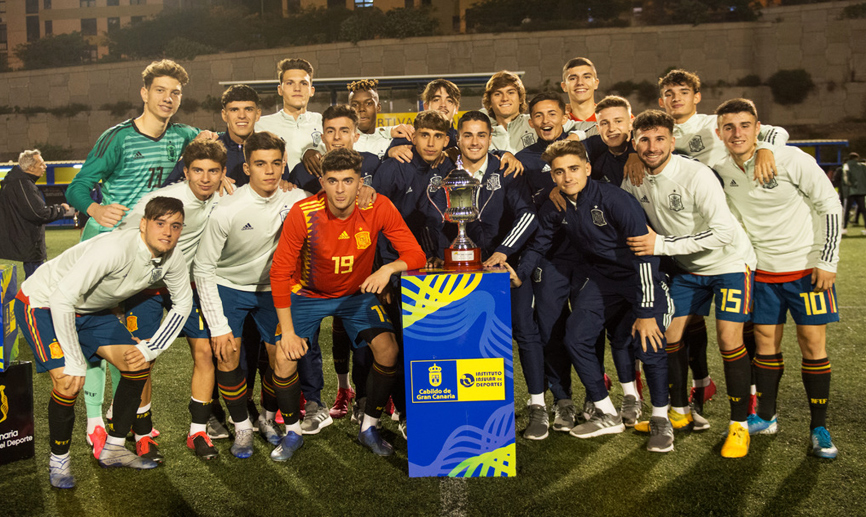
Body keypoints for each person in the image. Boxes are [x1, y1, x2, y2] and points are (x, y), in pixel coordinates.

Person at [64, 58, 208, 455]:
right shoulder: (117, 138)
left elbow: (215, 147)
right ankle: (95, 422)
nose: (168, 98)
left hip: (148, 253)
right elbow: (77, 186)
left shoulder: (182, 135)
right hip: (106, 246)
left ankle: (120, 414)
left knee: (126, 342)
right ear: (144, 93)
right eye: (160, 90)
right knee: (95, 334)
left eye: (175, 93)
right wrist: (93, 209)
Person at [13, 196, 192, 488]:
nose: (168, 232)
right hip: (44, 303)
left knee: (137, 365)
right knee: (68, 382)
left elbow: (183, 304)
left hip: (91, 311)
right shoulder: (114, 248)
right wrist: (73, 360)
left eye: (175, 226)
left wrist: (150, 347)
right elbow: (62, 298)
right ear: (144, 224)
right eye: (160, 224)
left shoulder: (174, 257)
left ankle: (114, 448)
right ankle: (59, 461)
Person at [513, 139, 674, 452]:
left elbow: (645, 255)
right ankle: (607, 412)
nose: (567, 177)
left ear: (587, 168)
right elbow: (539, 243)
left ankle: (660, 418)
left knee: (648, 342)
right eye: (559, 172)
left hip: (641, 279)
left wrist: (644, 312)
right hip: (601, 281)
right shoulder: (557, 204)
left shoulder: (616, 200)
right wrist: (517, 273)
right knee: (575, 337)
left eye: (573, 169)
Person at [269, 147, 426, 460]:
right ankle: (292, 433)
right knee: (284, 357)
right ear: (322, 182)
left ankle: (369, 427)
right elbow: (279, 272)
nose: (340, 189)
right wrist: (287, 331)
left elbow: (416, 254)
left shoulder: (377, 206)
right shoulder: (303, 213)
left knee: (388, 350)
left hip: (355, 294)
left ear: (360, 183)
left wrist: (387, 268)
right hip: (308, 294)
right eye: (332, 181)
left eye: (348, 181)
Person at [622, 109, 757, 458]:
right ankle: (680, 412)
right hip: (687, 269)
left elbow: (724, 232)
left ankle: (739, 425)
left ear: (673, 141)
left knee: (729, 339)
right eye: (645, 140)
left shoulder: (695, 175)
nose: (652, 147)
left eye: (660, 139)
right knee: (668, 336)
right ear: (634, 142)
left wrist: (661, 245)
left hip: (728, 262)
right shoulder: (632, 178)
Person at [713, 98, 842, 458]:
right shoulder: (722, 169)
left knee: (812, 346)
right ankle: (766, 416)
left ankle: (820, 427)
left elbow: (829, 205)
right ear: (719, 132)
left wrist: (827, 259)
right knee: (766, 344)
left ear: (758, 128)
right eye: (729, 127)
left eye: (744, 125)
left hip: (806, 270)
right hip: (763, 272)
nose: (737, 133)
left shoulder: (792, 159)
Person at [655, 68, 789, 412]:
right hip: (694, 242)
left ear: (697, 97)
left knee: (742, 324)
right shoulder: (663, 133)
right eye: (669, 93)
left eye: (682, 91)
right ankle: (700, 386)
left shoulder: (713, 124)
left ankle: (753, 393)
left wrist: (766, 149)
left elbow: (775, 129)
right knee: (690, 324)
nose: (676, 98)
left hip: (735, 233)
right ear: (661, 100)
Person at [193, 131, 308, 459]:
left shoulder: (297, 199)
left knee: (281, 359)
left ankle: (270, 419)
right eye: (260, 164)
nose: (269, 171)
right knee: (227, 354)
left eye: (275, 163)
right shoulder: (227, 209)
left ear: (285, 164)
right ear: (246, 168)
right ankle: (242, 426)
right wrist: (217, 325)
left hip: (276, 290)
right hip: (228, 286)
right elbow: (203, 269)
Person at [117, 139, 227, 460]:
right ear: (186, 171)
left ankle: (198, 433)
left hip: (186, 285)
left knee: (205, 352)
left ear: (223, 173)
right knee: (143, 359)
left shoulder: (222, 197)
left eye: (213, 171)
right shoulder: (160, 201)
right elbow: (126, 235)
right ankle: (143, 433)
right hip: (146, 287)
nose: (205, 178)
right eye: (198, 171)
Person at [286, 104, 381, 427]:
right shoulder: (303, 171)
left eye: (344, 130)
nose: (338, 137)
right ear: (322, 134)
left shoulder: (376, 163)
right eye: (331, 131)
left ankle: (366, 397)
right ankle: (319, 398)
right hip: (317, 269)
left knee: (366, 336)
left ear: (356, 134)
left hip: (362, 264)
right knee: (308, 336)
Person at [371, 110, 454, 437]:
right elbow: (375, 224)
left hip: (437, 272)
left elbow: (449, 223)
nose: (430, 142)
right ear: (413, 137)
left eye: (438, 136)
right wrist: (384, 275)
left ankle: (438, 404)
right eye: (424, 135)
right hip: (399, 272)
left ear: (446, 141)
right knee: (404, 346)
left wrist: (442, 256)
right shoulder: (394, 167)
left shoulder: (451, 169)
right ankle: (405, 412)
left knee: (435, 342)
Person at [513, 91, 580, 439]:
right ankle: (541, 401)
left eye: (551, 113)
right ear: (530, 120)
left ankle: (567, 398)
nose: (544, 121)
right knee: (531, 329)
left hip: (575, 256)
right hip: (534, 255)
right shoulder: (521, 160)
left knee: (566, 328)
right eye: (537, 115)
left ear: (564, 115)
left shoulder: (582, 149)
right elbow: (521, 210)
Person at [163, 84, 262, 188]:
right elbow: (169, 187)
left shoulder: (270, 148)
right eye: (234, 110)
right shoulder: (207, 147)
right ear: (224, 115)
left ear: (258, 114)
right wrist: (209, 183)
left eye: (248, 109)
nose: (242, 116)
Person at [0, 149, 71, 278]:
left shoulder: (15, 181)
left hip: (23, 240)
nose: (45, 166)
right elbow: (38, 213)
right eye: (41, 164)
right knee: (36, 281)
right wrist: (60, 209)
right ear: (31, 167)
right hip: (28, 242)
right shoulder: (23, 184)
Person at [255, 58, 322, 171]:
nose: (297, 88)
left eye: (303, 83)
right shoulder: (260, 126)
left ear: (312, 91)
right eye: (290, 83)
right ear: (280, 90)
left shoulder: (324, 122)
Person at [560, 57, 601, 137]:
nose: (580, 82)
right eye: (573, 78)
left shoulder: (613, 118)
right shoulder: (557, 122)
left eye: (586, 77)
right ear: (564, 86)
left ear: (596, 83)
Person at [842, 152, 866, 234]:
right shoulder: (862, 166)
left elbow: (846, 178)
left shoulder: (846, 165)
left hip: (851, 191)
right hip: (861, 191)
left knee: (847, 210)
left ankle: (844, 228)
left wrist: (849, 184)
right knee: (863, 210)